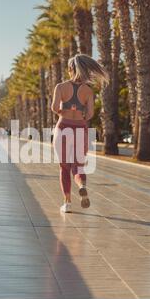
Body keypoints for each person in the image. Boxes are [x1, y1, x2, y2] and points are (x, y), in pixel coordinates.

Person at [51, 54, 109, 213]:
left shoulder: (61, 87)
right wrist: (80, 113)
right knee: (78, 166)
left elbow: (54, 108)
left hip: (63, 127)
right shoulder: (88, 91)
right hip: (80, 129)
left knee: (64, 167)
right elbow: (89, 114)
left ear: (70, 69)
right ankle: (82, 186)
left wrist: (64, 110)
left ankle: (67, 203)